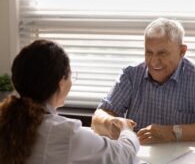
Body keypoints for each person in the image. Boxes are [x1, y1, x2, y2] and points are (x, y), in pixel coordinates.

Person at [91, 18, 195, 145]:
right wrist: (110, 123)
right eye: (149, 52)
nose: (154, 62)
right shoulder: (130, 74)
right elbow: (98, 117)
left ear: (182, 52)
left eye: (162, 53)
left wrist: (172, 133)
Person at [0, 40, 139, 164]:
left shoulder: (6, 120)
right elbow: (124, 156)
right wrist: (126, 129)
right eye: (71, 76)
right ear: (61, 83)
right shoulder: (64, 133)